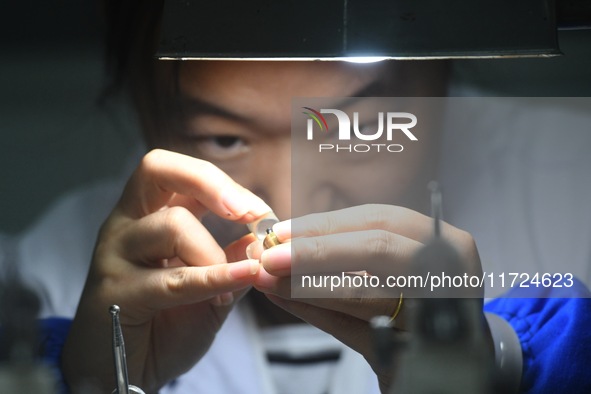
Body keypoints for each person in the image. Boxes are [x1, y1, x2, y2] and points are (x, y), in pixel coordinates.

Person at [5, 1, 591, 393]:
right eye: (225, 138)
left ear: (442, 72)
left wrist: (501, 361)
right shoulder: (48, 275)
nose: (290, 202)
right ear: (141, 103)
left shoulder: (574, 184)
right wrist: (90, 377)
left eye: (342, 126)